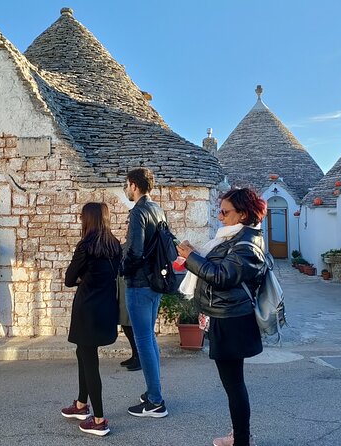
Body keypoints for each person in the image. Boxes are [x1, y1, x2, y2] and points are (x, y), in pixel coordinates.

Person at [176, 187, 267, 446]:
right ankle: (240, 435)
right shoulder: (233, 238)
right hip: (225, 316)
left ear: (242, 214)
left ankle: (241, 440)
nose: (220, 217)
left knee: (234, 385)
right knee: (233, 383)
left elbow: (222, 276)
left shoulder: (246, 244)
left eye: (225, 212)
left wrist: (191, 257)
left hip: (231, 319)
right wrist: (196, 254)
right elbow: (219, 266)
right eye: (220, 211)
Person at [60, 202, 121, 437]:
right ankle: (80, 404)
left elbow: (68, 279)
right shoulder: (115, 245)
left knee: (89, 360)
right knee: (83, 354)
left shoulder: (86, 245)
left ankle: (98, 419)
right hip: (106, 307)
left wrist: (82, 281)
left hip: (87, 308)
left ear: (88, 219)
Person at [121, 167, 169, 418]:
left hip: (139, 284)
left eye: (127, 185)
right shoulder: (158, 210)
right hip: (155, 283)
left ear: (134, 186)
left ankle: (155, 401)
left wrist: (121, 268)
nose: (125, 189)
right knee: (149, 339)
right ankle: (154, 392)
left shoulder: (139, 211)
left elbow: (136, 251)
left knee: (143, 342)